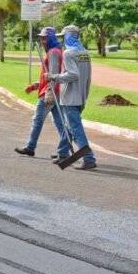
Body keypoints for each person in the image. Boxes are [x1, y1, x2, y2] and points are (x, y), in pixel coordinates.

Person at [44, 25, 97, 170]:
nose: (62, 40)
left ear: (68, 37)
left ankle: (88, 158)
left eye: (63, 37)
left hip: (70, 97)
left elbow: (73, 75)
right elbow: (87, 77)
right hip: (81, 95)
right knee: (68, 127)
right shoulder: (85, 53)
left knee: (75, 128)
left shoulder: (68, 53)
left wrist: (53, 77)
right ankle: (62, 153)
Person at [14, 26, 68, 159]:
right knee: (60, 123)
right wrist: (34, 86)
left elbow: (53, 74)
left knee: (37, 120)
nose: (43, 41)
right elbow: (46, 75)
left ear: (51, 38)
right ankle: (64, 150)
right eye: (41, 38)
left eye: (45, 38)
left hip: (50, 92)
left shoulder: (53, 52)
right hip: (54, 91)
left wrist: (49, 92)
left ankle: (30, 147)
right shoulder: (55, 51)